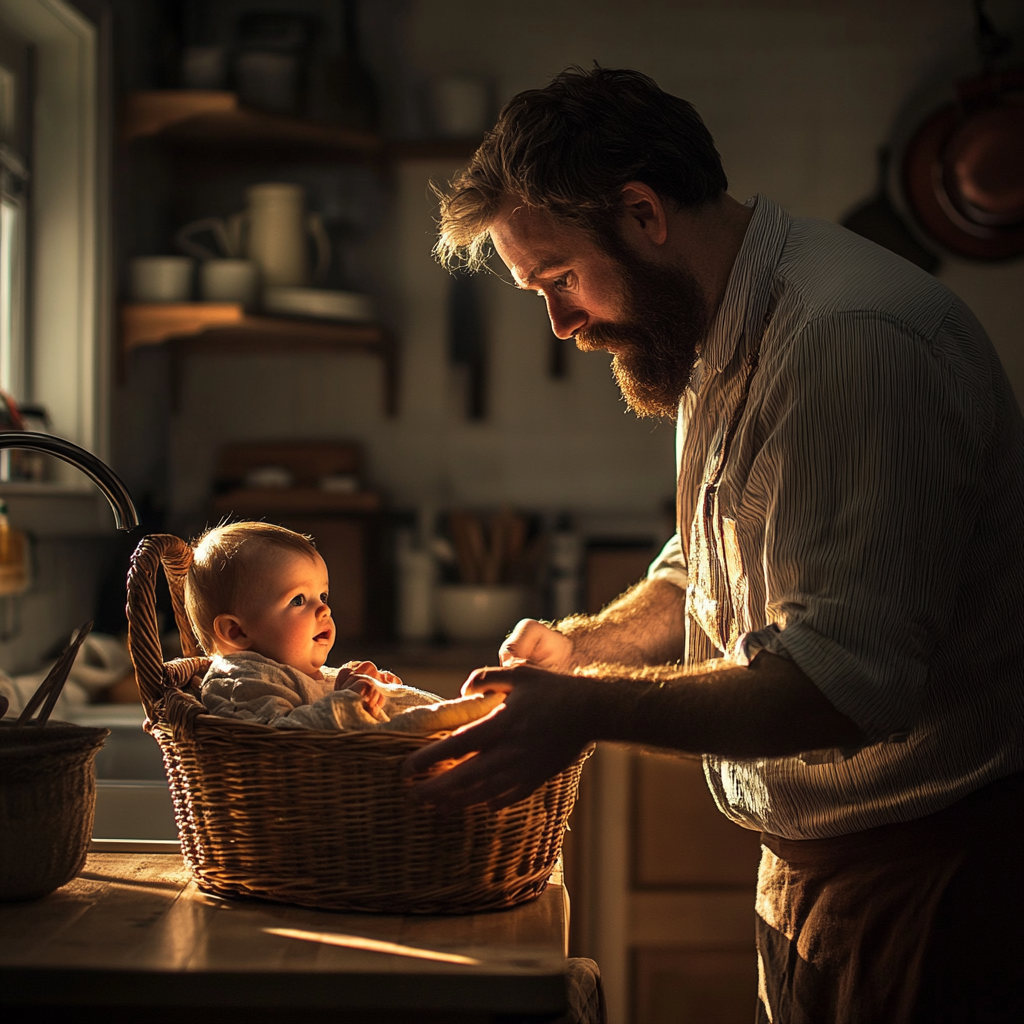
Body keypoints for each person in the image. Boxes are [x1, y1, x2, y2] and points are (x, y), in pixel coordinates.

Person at [404, 67, 1024, 1023]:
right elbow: (702, 567)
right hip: (818, 871)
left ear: (644, 213)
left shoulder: (849, 338)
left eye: (559, 278)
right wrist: (583, 650)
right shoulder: (723, 329)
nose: (561, 323)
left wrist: (582, 710)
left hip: (937, 881)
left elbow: (842, 682)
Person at [185, 521, 500, 731]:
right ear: (236, 632)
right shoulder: (238, 681)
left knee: (452, 717)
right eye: (298, 600)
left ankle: (477, 718)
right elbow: (283, 737)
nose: (324, 608)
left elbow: (319, 702)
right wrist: (349, 700)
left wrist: (374, 690)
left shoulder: (292, 671)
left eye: (322, 595)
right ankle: (478, 717)